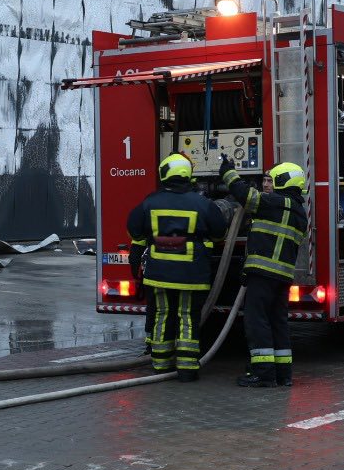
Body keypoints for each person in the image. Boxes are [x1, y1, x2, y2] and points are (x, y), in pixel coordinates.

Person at [127, 153, 228, 381]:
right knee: (188, 316)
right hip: (192, 273)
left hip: (159, 273)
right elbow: (219, 232)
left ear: (164, 174)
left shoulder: (150, 202)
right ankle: (187, 368)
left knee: (162, 314)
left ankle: (161, 365)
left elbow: (135, 230)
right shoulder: (203, 204)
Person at [220, 154, 309, 388]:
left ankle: (263, 374)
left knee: (256, 321)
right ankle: (283, 374)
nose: (268, 184)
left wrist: (228, 171)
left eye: (272, 180)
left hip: (263, 274)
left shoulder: (275, 203)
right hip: (282, 276)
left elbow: (244, 194)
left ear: (283, 181)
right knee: (278, 322)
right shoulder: (300, 213)